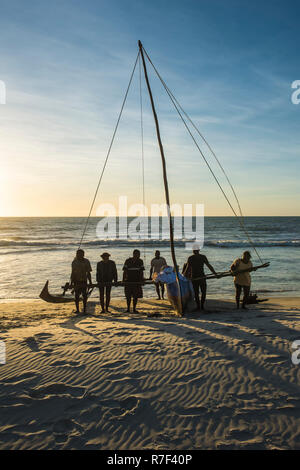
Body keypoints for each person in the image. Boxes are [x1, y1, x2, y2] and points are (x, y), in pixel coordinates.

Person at [183, 245, 217, 311]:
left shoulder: (194, 257)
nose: (194, 251)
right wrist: (184, 276)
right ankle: (200, 306)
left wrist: (215, 273)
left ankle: (200, 306)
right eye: (194, 250)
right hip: (197, 277)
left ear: (198, 250)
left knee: (200, 292)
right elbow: (187, 268)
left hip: (200, 277)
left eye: (195, 250)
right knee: (199, 292)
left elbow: (187, 269)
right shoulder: (194, 257)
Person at [71, 249, 92, 314]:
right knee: (76, 296)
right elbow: (72, 273)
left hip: (84, 280)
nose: (79, 255)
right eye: (78, 254)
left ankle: (85, 310)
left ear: (83, 254)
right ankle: (77, 310)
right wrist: (71, 282)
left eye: (80, 254)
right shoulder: (74, 262)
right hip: (76, 281)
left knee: (84, 296)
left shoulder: (86, 261)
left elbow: (88, 272)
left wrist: (90, 282)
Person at [123, 249, 144, 313]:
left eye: (139, 254)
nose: (139, 255)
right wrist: (123, 280)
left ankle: (134, 309)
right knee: (128, 296)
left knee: (135, 296)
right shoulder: (128, 260)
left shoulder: (140, 261)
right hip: (128, 280)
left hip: (137, 280)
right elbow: (125, 271)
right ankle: (128, 308)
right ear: (134, 254)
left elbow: (141, 271)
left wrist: (141, 279)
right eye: (138, 254)